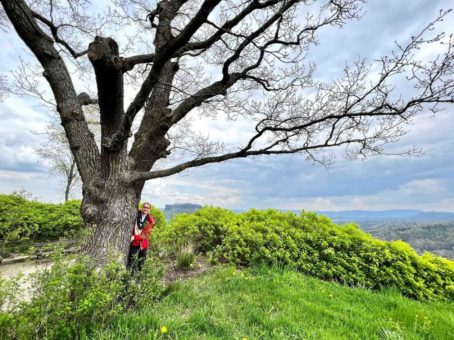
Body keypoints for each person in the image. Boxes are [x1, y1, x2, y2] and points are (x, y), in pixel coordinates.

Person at [127, 202, 155, 272]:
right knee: (132, 260)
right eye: (144, 207)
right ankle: (130, 276)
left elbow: (146, 235)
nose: (145, 209)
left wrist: (134, 237)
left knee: (141, 262)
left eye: (147, 208)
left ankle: (139, 277)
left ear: (149, 210)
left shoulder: (150, 220)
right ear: (142, 207)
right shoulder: (136, 214)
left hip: (143, 244)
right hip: (133, 243)